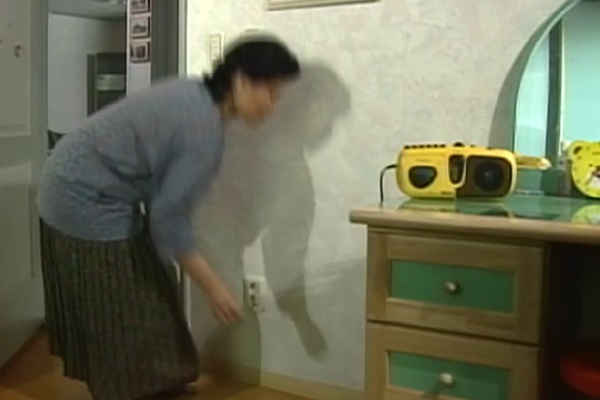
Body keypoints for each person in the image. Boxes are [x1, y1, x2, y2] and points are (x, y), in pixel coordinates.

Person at [38, 34, 300, 400]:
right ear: (241, 80)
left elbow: (162, 196)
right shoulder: (202, 130)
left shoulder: (194, 93)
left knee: (156, 290)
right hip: (80, 195)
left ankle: (162, 384)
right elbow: (168, 218)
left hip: (80, 178)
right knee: (123, 311)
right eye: (270, 91)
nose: (273, 104)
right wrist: (214, 287)